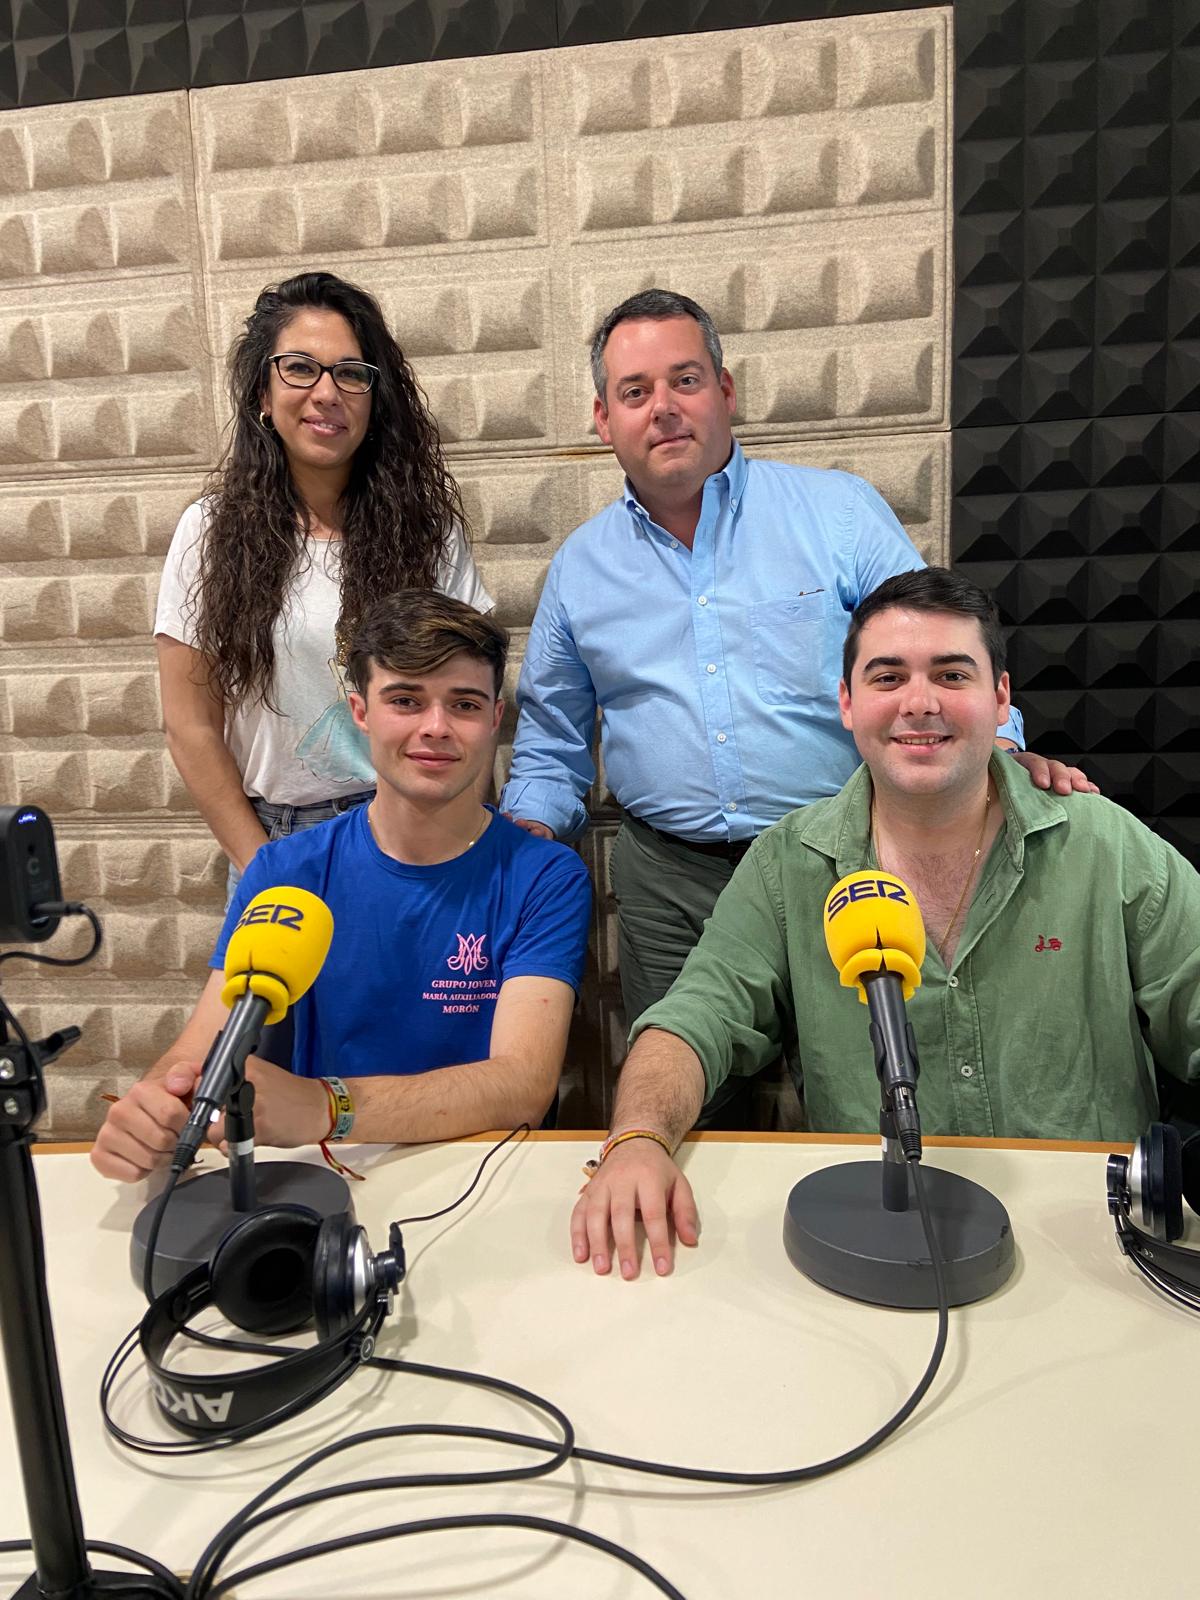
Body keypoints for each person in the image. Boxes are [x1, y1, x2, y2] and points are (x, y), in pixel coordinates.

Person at [570, 569, 1200, 1279]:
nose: (920, 703)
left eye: (952, 674)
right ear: (847, 703)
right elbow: (694, 1020)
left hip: (1093, 1246)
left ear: (1000, 698)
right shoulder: (789, 863)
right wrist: (639, 1138)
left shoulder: (1106, 847)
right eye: (888, 677)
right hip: (875, 1240)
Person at [500, 289, 1092, 1044]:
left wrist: (999, 753)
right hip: (670, 886)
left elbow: (934, 651)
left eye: (684, 380)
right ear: (603, 417)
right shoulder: (580, 569)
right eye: (634, 391)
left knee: (860, 1091)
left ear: (725, 390)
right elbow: (552, 741)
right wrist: (525, 831)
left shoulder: (837, 513)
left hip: (841, 862)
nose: (663, 408)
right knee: (689, 1097)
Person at [92, 592, 591, 1183]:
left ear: (494, 719)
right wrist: (155, 1102)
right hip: (326, 1174)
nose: (435, 728)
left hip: (478, 1174)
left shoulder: (546, 877)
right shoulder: (284, 870)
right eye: (405, 700)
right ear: (359, 712)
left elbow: (521, 1087)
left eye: (463, 704)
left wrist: (327, 1106)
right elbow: (203, 1044)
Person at [156, 270, 492, 898]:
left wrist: (459, 849)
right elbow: (190, 726)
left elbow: (467, 705)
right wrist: (263, 866)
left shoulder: (428, 530)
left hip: (411, 833)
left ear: (374, 396)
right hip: (276, 841)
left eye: (351, 373)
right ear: (262, 390)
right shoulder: (208, 533)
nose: (327, 392)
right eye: (300, 368)